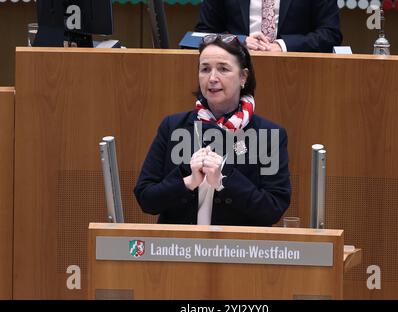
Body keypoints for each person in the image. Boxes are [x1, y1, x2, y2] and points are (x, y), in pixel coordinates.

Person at [134, 35, 291, 226]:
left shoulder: (268, 134)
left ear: (243, 77)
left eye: (223, 69)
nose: (212, 78)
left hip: (239, 250)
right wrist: (188, 181)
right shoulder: (173, 126)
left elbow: (273, 209)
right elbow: (146, 198)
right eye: (205, 69)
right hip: (178, 249)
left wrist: (225, 180)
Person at [195, 0, 342, 53]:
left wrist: (283, 46)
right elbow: (202, 35)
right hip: (234, 71)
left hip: (296, 72)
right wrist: (238, 42)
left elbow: (330, 35)